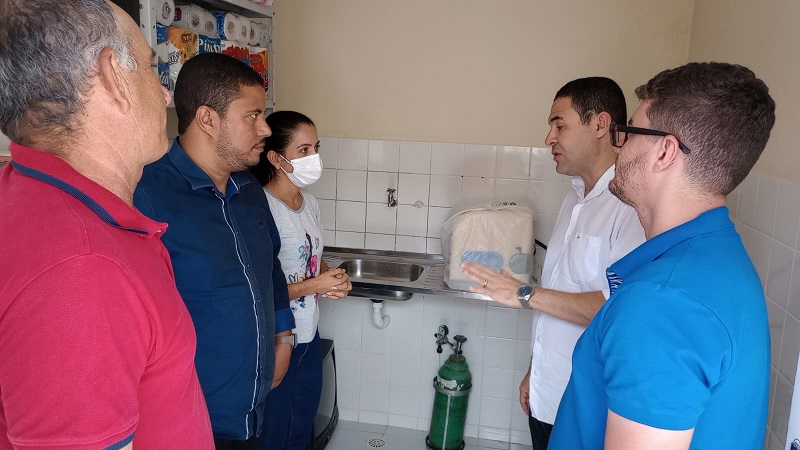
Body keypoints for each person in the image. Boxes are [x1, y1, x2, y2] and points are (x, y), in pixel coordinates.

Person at [0, 0, 214, 448]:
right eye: (152, 68)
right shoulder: (81, 268)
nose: (166, 95)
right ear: (112, 75)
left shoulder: (36, 198)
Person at [549, 62, 776, 448]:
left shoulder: (661, 302)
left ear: (665, 152)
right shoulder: (722, 260)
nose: (618, 146)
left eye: (629, 133)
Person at [461, 77, 645, 449]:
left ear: (600, 124)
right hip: (547, 393)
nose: (549, 138)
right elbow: (560, 293)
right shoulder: (574, 198)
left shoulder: (630, 208)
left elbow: (618, 310)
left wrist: (524, 293)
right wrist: (536, 369)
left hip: (587, 405)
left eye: (559, 125)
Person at [134, 52, 295, 449]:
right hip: (189, 419)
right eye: (252, 116)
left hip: (254, 406)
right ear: (207, 119)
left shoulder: (249, 189)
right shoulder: (146, 196)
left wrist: (284, 336)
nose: (265, 129)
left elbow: (270, 268)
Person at [249, 111, 352, 450]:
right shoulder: (261, 207)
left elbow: (312, 257)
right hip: (279, 339)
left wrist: (332, 277)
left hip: (309, 333)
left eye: (316, 148)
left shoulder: (310, 204)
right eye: (304, 150)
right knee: (276, 433)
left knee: (301, 426)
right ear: (276, 158)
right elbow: (262, 289)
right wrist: (315, 286)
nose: (314, 158)